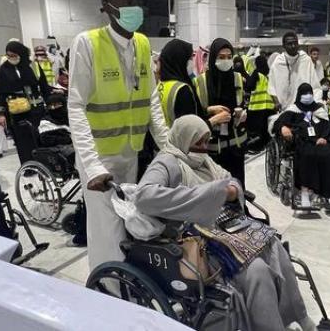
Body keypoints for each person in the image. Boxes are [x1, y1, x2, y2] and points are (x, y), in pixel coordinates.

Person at [123, 115, 316, 331]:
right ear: (184, 138)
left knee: (274, 246)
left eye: (206, 141)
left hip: (223, 224)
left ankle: (299, 316)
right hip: (195, 236)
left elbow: (228, 179)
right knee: (257, 270)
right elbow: (144, 197)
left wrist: (231, 190)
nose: (204, 147)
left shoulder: (204, 160)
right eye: (198, 142)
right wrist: (204, 195)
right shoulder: (167, 162)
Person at [68, 0, 169, 270]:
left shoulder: (142, 43)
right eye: (126, 0)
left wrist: (168, 146)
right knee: (107, 228)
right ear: (107, 6)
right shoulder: (87, 43)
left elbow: (151, 99)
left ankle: (125, 279)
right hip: (98, 156)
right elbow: (75, 105)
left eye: (137, 0)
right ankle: (108, 286)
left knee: (129, 220)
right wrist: (92, 166)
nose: (134, 6)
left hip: (129, 151)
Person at [274, 83, 330, 210]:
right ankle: (305, 191)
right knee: (307, 154)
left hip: (321, 141)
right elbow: (278, 122)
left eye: (310, 93)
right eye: (305, 93)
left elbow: (328, 126)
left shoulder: (319, 110)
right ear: (300, 95)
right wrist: (283, 127)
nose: (308, 96)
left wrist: (324, 137)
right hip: (303, 142)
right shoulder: (293, 110)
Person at [194, 38, 247, 186]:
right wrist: (211, 111)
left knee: (236, 187)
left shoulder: (237, 78)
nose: (226, 61)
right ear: (213, 58)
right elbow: (196, 113)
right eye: (221, 57)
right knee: (215, 190)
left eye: (229, 57)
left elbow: (242, 103)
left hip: (236, 145)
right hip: (211, 149)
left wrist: (242, 115)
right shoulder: (201, 81)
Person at [0, 40, 51, 163]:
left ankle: (44, 164)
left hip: (36, 109)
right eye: (9, 56)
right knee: (23, 141)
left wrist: (50, 102)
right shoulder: (4, 69)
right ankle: (28, 166)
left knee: (40, 137)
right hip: (17, 112)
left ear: (21, 53)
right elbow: (0, 92)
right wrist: (0, 114)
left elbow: (44, 86)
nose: (11, 58)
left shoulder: (33, 66)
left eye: (14, 55)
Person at [155, 38, 230, 128]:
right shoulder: (182, 90)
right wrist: (215, 120)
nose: (192, 62)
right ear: (181, 60)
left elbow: (183, 110)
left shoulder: (162, 84)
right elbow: (191, 129)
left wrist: (208, 110)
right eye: (190, 58)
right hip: (180, 137)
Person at [268, 32, 321, 110]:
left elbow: (315, 84)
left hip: (303, 107)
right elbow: (271, 86)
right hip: (284, 107)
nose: (293, 46)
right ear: (283, 46)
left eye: (295, 43)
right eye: (289, 44)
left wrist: (317, 101)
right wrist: (276, 102)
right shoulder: (278, 62)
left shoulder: (306, 60)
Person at [246, 54, 276, 151]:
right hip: (270, 107)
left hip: (257, 107)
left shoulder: (256, 73)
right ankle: (267, 146)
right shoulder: (268, 74)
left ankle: (258, 147)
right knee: (267, 129)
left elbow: (249, 86)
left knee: (258, 131)